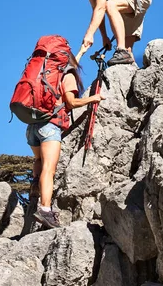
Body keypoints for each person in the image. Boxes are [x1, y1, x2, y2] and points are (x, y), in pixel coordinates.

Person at [28, 46, 105, 229]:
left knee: (39, 159)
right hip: (50, 126)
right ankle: (45, 210)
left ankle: (35, 185)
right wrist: (93, 99)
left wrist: (83, 50)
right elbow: (71, 103)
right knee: (49, 168)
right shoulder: (67, 75)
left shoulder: (44, 73)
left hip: (32, 126)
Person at [61, 0, 152, 66]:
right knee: (128, 53)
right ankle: (130, 71)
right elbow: (97, 11)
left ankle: (120, 49)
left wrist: (89, 35)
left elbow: (101, 8)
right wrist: (104, 36)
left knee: (110, 5)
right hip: (124, 4)